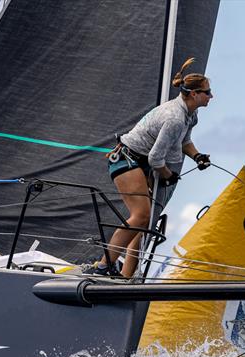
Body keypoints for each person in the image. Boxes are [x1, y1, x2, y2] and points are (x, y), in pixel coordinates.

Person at [87, 57, 213, 278]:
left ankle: (126, 279)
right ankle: (103, 266)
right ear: (194, 94)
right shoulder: (174, 118)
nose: (211, 96)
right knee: (141, 216)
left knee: (145, 225)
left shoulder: (190, 116)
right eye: (207, 92)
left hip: (142, 162)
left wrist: (197, 156)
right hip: (127, 159)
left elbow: (184, 142)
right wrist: (168, 175)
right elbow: (156, 159)